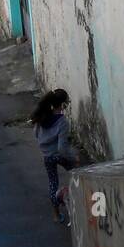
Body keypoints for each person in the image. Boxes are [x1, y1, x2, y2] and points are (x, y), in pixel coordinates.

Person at [32, 89, 77, 225]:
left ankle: (56, 215)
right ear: (63, 105)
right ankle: (69, 197)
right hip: (59, 155)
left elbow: (36, 134)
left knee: (52, 183)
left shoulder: (42, 116)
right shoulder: (62, 122)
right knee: (77, 174)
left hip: (47, 156)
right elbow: (62, 149)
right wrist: (74, 158)